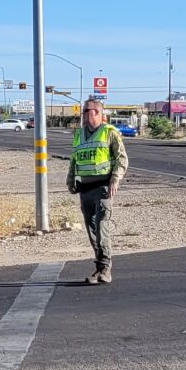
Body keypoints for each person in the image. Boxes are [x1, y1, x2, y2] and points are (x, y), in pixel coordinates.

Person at [68, 97, 129, 284]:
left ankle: (105, 268)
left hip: (103, 188)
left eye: (86, 111)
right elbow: (74, 159)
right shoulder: (79, 134)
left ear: (95, 112)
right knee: (92, 229)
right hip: (85, 189)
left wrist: (115, 179)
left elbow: (122, 159)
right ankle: (99, 267)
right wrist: (71, 179)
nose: (83, 114)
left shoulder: (109, 133)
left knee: (103, 228)